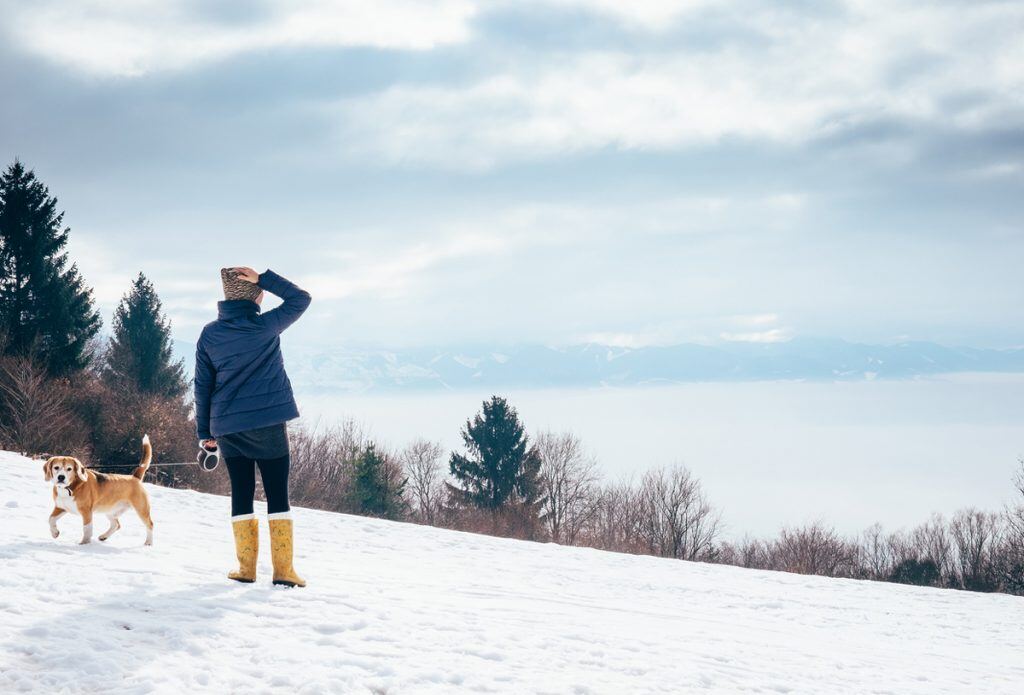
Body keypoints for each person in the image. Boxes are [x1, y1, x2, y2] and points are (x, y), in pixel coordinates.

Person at [194, 267, 311, 587]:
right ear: (254, 296)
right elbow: (301, 299)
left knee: (242, 492)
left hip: (227, 427)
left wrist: (205, 433)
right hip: (268, 424)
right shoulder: (264, 326)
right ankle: (284, 571)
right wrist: (264, 278)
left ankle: (246, 569)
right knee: (277, 494)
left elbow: (202, 387)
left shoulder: (209, 334)